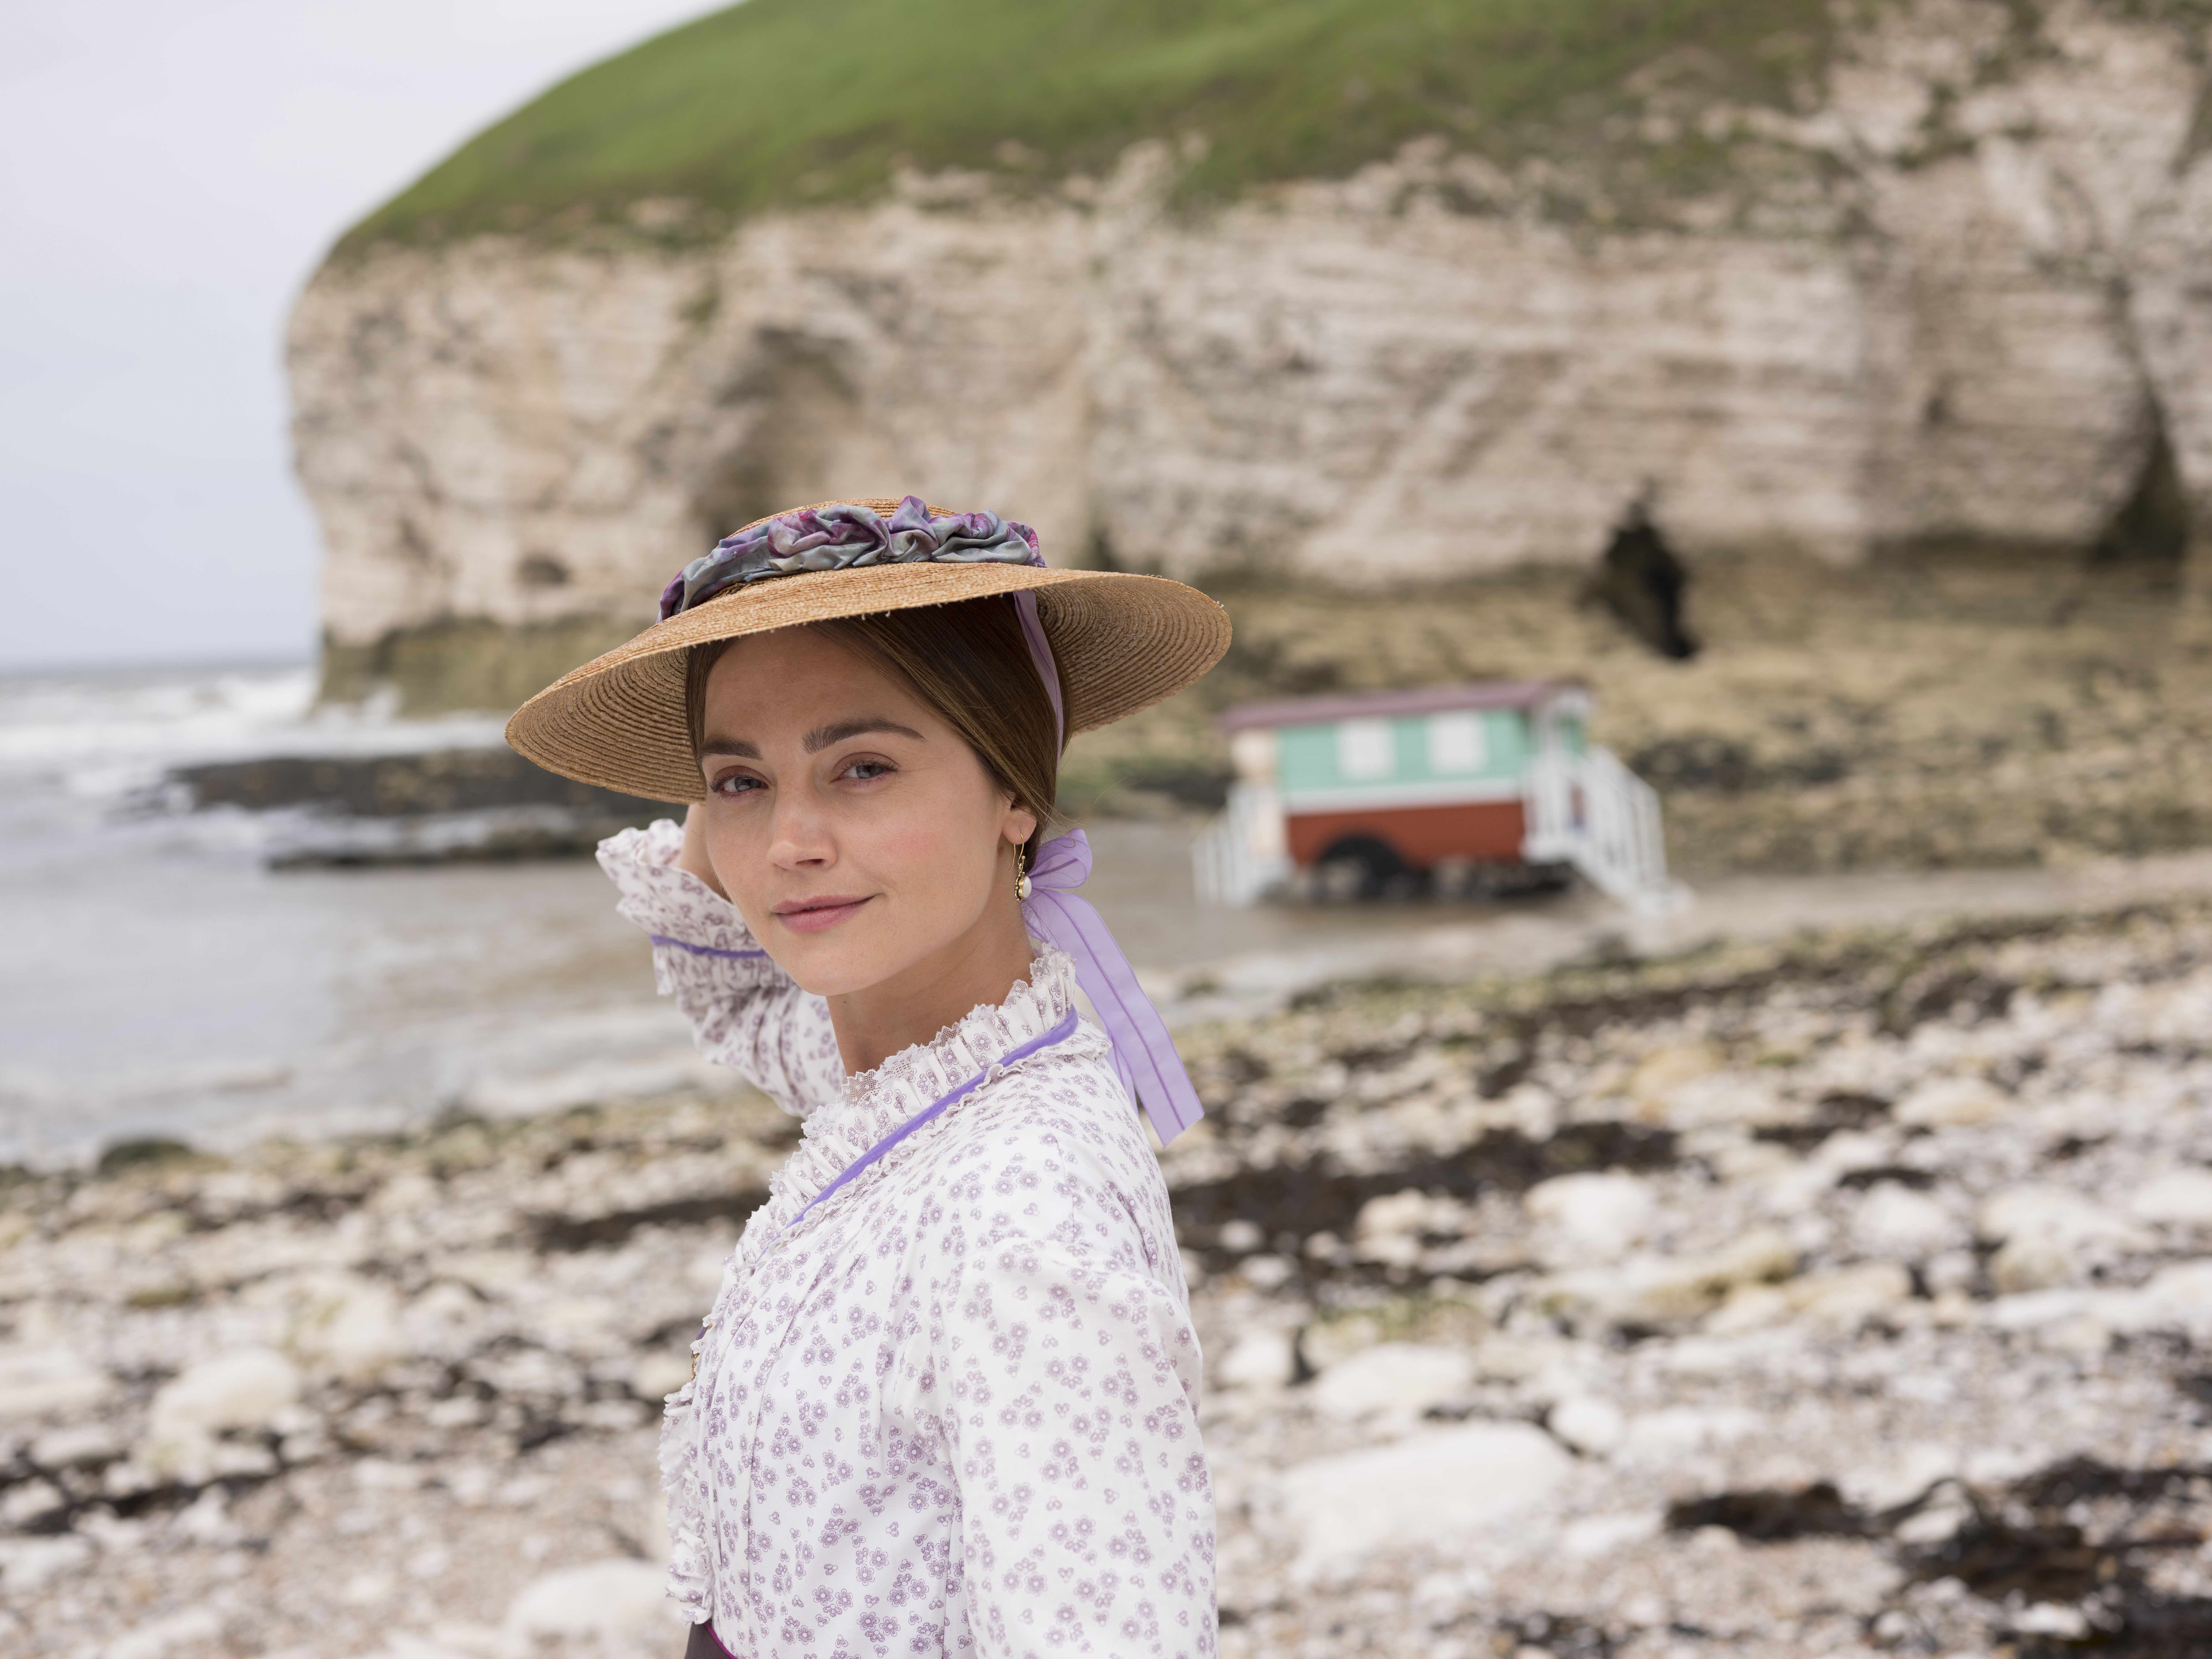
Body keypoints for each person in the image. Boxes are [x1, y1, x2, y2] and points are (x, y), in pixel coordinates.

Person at [506, 496, 1231, 1659]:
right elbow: (738, 993)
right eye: (740, 784)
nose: (791, 842)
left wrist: (760, 740)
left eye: (863, 768)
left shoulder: (1023, 1210)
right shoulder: (910, 1076)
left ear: (1016, 791)